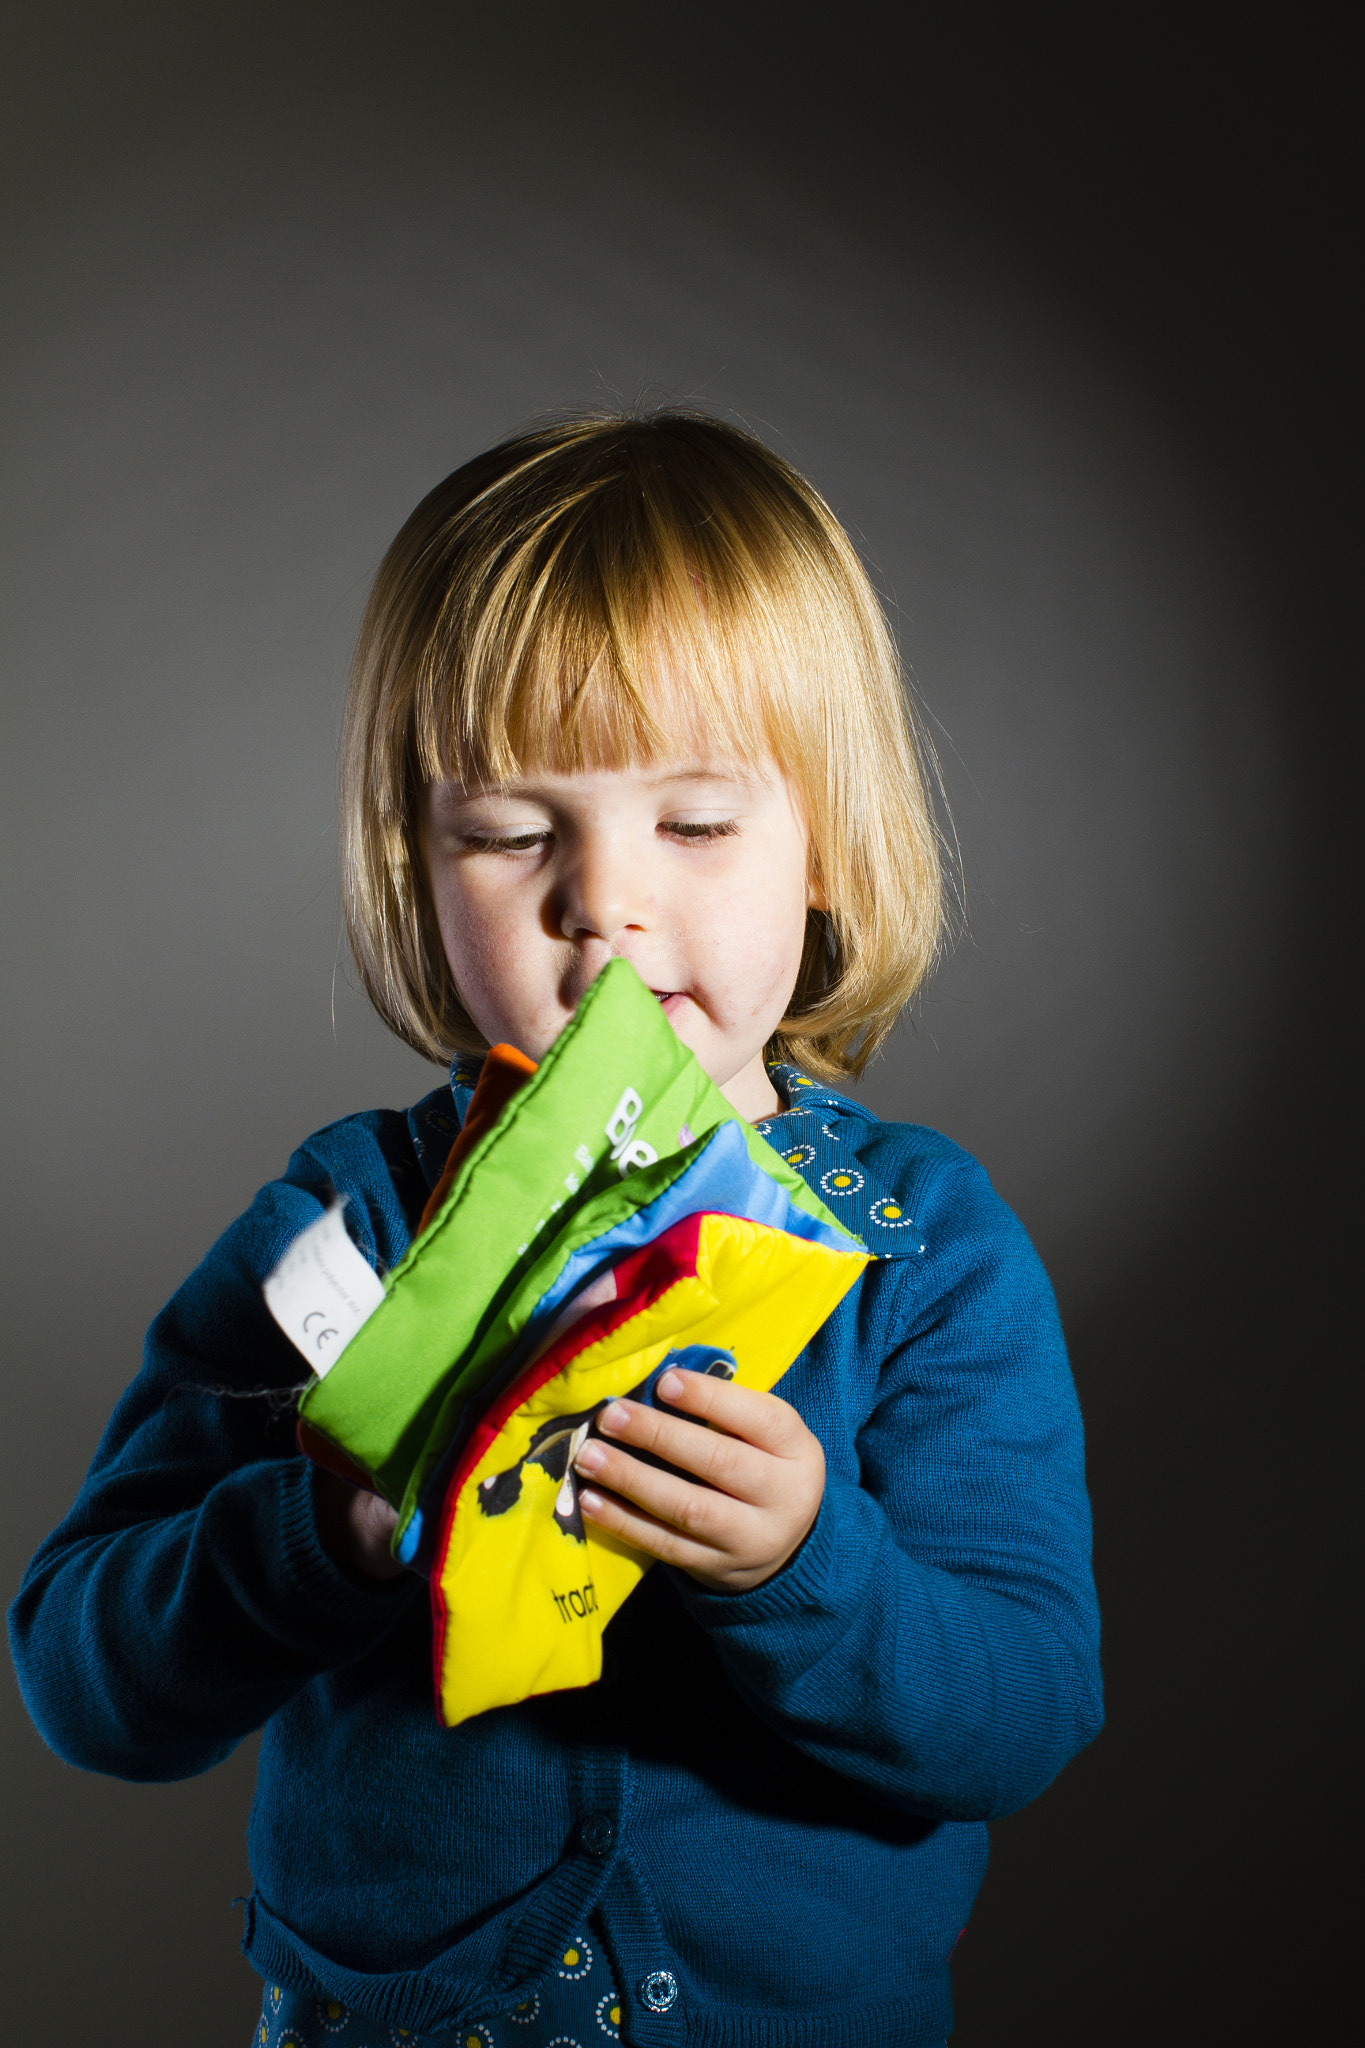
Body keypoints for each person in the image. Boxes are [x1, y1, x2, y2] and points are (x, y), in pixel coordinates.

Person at [8, 411, 1103, 2047]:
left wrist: (804, 1567)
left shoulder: (924, 1248)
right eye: (516, 832)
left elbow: (1018, 1715)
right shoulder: (346, 1225)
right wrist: (330, 1535)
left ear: (824, 846)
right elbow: (88, 1685)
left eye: (697, 823)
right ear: (417, 861)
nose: (605, 901)